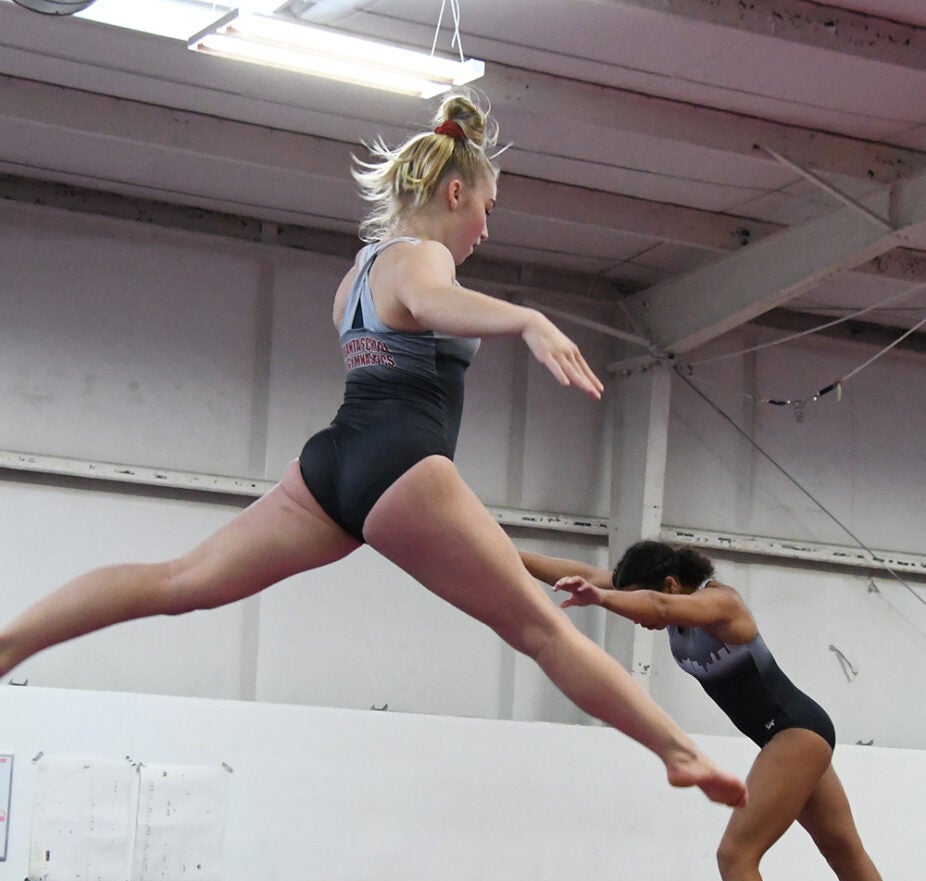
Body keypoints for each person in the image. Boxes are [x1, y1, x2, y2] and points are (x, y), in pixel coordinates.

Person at [0, 93, 746, 810]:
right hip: (402, 462)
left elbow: (402, 323)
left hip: (333, 467)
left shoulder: (355, 273)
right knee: (539, 630)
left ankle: (13, 641)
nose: (486, 230)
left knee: (179, 579)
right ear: (456, 194)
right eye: (486, 209)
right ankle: (678, 751)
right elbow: (428, 302)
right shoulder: (421, 258)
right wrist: (527, 319)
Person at [521, 540, 921, 881]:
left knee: (736, 854)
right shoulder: (659, 590)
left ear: (670, 582)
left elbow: (659, 606)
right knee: (844, 851)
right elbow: (580, 570)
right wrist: (501, 551)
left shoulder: (722, 603)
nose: (640, 621)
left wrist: (602, 600)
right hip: (790, 736)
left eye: (636, 605)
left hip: (795, 731)